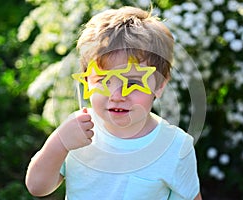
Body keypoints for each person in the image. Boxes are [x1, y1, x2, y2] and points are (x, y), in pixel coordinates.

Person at [25, 6, 202, 200]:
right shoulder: (77, 130)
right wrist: (59, 143)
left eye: (133, 82)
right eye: (104, 81)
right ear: (87, 82)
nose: (116, 95)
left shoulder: (175, 147)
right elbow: (37, 187)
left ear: (159, 86)